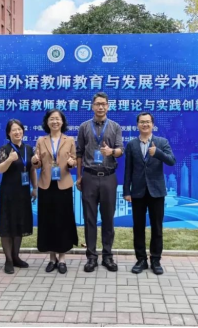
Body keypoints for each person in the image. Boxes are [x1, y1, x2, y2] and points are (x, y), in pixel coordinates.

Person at [123, 112, 176, 275]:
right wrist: (126, 191)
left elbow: (172, 161)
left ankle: (155, 260)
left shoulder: (161, 142)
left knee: (157, 227)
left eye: (147, 122)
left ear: (153, 124)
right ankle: (141, 260)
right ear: (137, 125)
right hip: (138, 192)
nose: (145, 124)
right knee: (138, 227)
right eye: (141, 122)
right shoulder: (131, 144)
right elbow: (128, 170)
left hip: (156, 192)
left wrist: (157, 153)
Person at [76, 92, 123, 273]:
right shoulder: (84, 127)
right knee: (90, 218)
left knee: (108, 218)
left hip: (109, 176)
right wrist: (79, 176)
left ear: (108, 106)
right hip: (89, 176)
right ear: (92, 106)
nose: (101, 107)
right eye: (97, 104)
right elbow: (79, 153)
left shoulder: (115, 127)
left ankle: (108, 256)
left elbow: (120, 150)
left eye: (104, 104)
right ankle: (91, 257)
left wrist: (111, 152)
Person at [32, 109, 78, 274]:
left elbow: (74, 161)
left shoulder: (69, 140)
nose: (55, 122)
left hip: (63, 185)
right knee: (48, 221)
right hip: (46, 186)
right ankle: (52, 258)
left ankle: (62, 258)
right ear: (47, 122)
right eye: (52, 119)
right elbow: (38, 163)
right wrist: (35, 161)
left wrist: (72, 162)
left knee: (63, 221)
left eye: (57, 119)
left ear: (62, 122)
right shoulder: (41, 140)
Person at [0, 119, 38, 275]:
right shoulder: (4, 149)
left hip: (23, 192)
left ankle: (16, 257)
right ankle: (8, 260)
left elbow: (32, 169)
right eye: (14, 130)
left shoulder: (28, 149)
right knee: (7, 226)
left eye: (19, 129)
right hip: (9, 192)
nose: (17, 132)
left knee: (19, 224)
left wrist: (35, 187)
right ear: (8, 133)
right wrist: (9, 159)